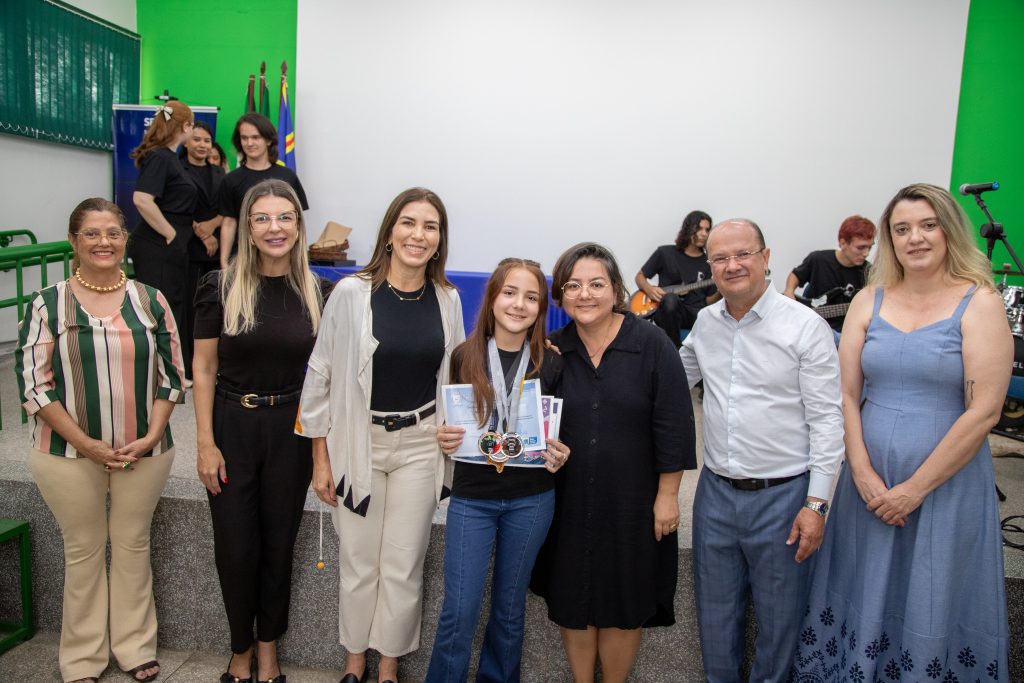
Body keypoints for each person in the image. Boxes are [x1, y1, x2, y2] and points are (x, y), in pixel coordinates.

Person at [791, 184, 1011, 682]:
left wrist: (914, 489)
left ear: (949, 230)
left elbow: (984, 411)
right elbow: (845, 396)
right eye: (902, 228)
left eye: (928, 225)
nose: (915, 238)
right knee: (864, 588)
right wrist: (864, 475)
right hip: (869, 488)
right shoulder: (870, 299)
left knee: (930, 592)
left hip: (944, 490)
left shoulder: (980, 303)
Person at [15, 198, 187, 683]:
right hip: (66, 454)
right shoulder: (47, 303)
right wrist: (86, 443)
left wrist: (153, 433)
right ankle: (83, 659)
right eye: (91, 234)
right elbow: (33, 383)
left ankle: (134, 648)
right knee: (83, 550)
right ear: (73, 241)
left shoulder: (151, 300)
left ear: (125, 239)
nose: (103, 243)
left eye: (112, 233)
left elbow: (172, 374)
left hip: (145, 451)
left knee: (132, 545)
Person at [297, 188, 464, 683]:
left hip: (419, 446)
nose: (418, 234)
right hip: (358, 444)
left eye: (430, 226)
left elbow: (455, 376)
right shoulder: (351, 293)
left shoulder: (448, 299)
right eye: (408, 223)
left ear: (440, 240)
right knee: (359, 561)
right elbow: (320, 375)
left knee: (403, 564)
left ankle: (388, 667)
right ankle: (354, 663)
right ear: (390, 232)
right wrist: (320, 460)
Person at [679, 219, 844, 683]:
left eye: (743, 254)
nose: (732, 266)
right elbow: (672, 377)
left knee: (778, 626)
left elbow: (829, 422)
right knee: (714, 620)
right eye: (720, 258)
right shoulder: (706, 322)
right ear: (709, 266)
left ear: (766, 257)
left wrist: (817, 504)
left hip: (784, 499)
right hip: (714, 495)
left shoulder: (804, 326)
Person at [530, 242, 695, 683]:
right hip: (566, 498)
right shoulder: (552, 352)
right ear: (561, 296)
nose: (585, 294)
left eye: (596, 284)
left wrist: (668, 496)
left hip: (634, 500)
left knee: (625, 599)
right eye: (573, 285)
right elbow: (530, 423)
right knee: (573, 597)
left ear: (617, 289)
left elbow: (674, 424)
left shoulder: (651, 344)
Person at [192, 179, 331, 683]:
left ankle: (268, 649)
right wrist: (205, 443)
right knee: (235, 547)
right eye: (263, 218)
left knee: (278, 544)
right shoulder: (219, 287)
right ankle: (240, 650)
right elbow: (203, 370)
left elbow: (327, 378)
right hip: (232, 426)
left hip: (291, 430)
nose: (275, 228)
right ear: (248, 228)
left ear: (298, 226)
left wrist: (322, 454)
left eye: (284, 218)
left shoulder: (319, 292)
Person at [426, 258, 571, 683]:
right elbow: (449, 421)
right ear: (492, 299)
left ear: (541, 309)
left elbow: (558, 433)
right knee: (459, 607)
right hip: (472, 499)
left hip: (532, 498)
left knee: (509, 609)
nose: (519, 304)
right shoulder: (462, 357)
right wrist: (444, 437)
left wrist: (560, 451)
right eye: (509, 292)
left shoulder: (553, 363)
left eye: (531, 297)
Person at [129, 100, 197, 333]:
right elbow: (141, 199)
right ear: (186, 126)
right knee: (159, 312)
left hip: (170, 247)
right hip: (158, 247)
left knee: (170, 309)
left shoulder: (170, 158)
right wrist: (171, 235)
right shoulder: (161, 157)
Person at [217, 113, 308, 268]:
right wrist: (224, 261)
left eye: (255, 137)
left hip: (284, 260)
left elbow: (298, 221)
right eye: (244, 138)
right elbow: (229, 222)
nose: (249, 143)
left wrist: (302, 257)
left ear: (268, 140)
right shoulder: (230, 180)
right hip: (243, 260)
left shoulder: (288, 176)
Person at [178, 119, 225, 374]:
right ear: (186, 142)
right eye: (196, 139)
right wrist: (203, 233)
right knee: (190, 306)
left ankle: (214, 362)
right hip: (189, 246)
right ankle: (189, 364)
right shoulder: (177, 169)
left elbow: (227, 208)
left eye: (206, 140)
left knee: (215, 305)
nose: (202, 145)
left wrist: (212, 226)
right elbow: (176, 207)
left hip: (217, 248)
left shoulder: (219, 172)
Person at [634, 210, 719, 347]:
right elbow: (640, 277)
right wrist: (649, 289)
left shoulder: (709, 262)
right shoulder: (665, 253)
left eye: (707, 229)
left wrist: (721, 291)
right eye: (699, 228)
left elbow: (709, 301)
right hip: (667, 312)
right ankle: (674, 348)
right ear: (688, 228)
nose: (704, 233)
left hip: (695, 314)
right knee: (670, 299)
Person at [783, 215, 876, 333]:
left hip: (842, 332)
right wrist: (789, 292)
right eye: (861, 247)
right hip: (811, 325)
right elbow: (795, 275)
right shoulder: (818, 259)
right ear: (843, 243)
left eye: (869, 247)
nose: (866, 253)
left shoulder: (869, 273)